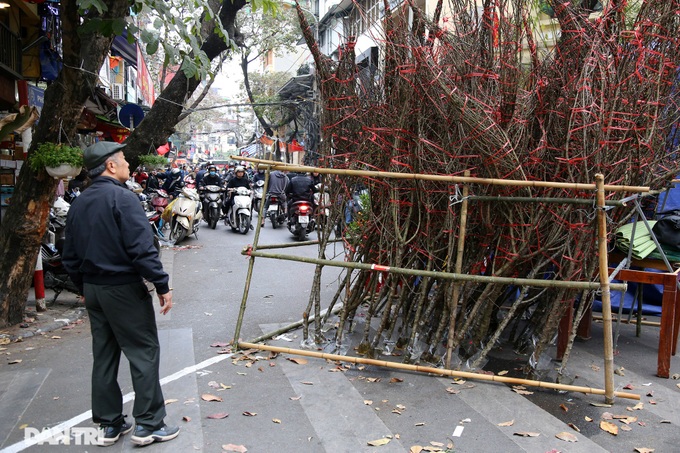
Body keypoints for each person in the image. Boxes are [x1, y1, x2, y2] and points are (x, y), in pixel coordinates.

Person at [61, 141, 180, 447]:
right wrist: (162, 285)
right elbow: (142, 249)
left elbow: (69, 254)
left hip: (94, 289)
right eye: (124, 159)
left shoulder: (80, 202)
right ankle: (149, 425)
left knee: (104, 356)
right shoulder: (122, 199)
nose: (129, 164)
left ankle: (109, 424)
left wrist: (84, 286)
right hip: (122, 289)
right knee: (143, 353)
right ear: (110, 166)